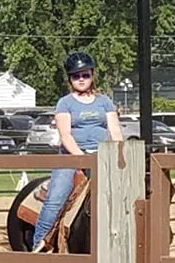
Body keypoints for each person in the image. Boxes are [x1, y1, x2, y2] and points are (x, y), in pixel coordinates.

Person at [31, 51, 123, 252]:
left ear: (92, 75)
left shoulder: (104, 101)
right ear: (70, 79)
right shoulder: (65, 103)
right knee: (55, 199)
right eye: (76, 76)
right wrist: (83, 159)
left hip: (102, 156)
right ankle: (40, 244)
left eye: (85, 75)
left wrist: (119, 154)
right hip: (71, 158)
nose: (81, 79)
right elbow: (65, 136)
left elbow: (115, 131)